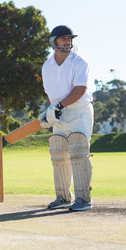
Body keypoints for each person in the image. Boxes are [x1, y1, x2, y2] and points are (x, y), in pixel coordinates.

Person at [38, 25, 94, 211]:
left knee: (78, 152)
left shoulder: (79, 62)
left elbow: (80, 89)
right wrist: (50, 110)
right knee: (58, 153)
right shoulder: (47, 66)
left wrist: (59, 106)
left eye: (69, 39)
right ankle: (63, 197)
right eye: (63, 39)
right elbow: (50, 93)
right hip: (59, 113)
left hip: (79, 111)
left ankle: (84, 200)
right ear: (54, 42)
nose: (67, 42)